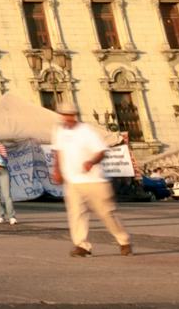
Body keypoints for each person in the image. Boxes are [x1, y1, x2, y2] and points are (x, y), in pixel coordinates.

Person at [50, 103, 130, 257]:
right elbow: (58, 152)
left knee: (106, 213)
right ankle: (82, 245)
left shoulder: (86, 131)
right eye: (65, 115)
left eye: (70, 115)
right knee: (76, 214)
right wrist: (57, 170)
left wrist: (91, 162)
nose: (68, 118)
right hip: (72, 181)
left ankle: (123, 241)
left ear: (75, 115)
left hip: (95, 180)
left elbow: (101, 152)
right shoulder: (59, 131)